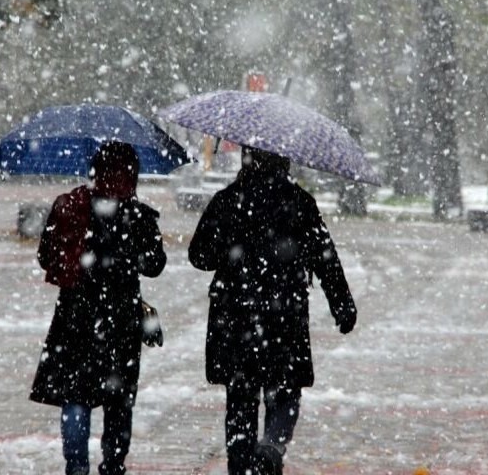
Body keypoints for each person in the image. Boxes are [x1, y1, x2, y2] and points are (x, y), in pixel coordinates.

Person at [188, 146, 358, 475]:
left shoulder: (227, 200)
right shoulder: (300, 202)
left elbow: (199, 256)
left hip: (235, 315)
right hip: (284, 314)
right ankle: (272, 447)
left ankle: (241, 464)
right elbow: (325, 257)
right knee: (285, 391)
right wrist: (342, 304)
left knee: (240, 400)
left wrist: (230, 247)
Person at [30, 141, 167, 475]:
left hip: (75, 314)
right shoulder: (138, 216)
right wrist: (130, 254)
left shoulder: (70, 207)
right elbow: (155, 265)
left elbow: (46, 257)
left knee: (76, 395)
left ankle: (77, 465)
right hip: (121, 316)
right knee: (118, 400)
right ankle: (113, 465)